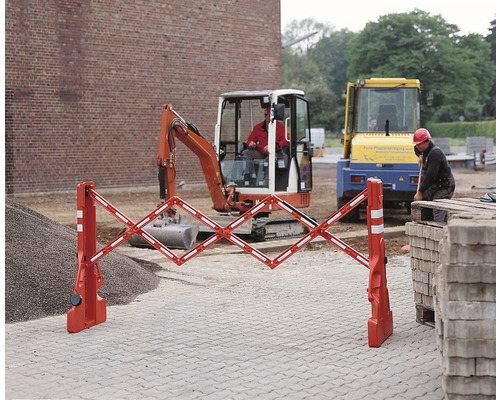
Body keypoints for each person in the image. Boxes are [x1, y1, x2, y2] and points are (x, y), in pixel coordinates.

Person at [413, 128, 455, 222]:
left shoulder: (435, 154)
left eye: (419, 144)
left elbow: (430, 176)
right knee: (436, 212)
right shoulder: (421, 148)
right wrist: (420, 156)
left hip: (444, 186)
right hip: (434, 187)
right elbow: (416, 149)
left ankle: (441, 233)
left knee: (438, 212)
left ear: (427, 142)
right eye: (416, 143)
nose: (417, 146)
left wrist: (420, 192)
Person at [241, 107, 288, 178]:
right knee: (246, 153)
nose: (270, 118)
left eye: (272, 116)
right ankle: (248, 176)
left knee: (270, 159)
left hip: (275, 152)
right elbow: (249, 139)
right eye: (268, 115)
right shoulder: (258, 127)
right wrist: (250, 143)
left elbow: (285, 141)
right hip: (261, 151)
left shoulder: (281, 127)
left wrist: (272, 147)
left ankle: (267, 180)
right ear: (265, 116)